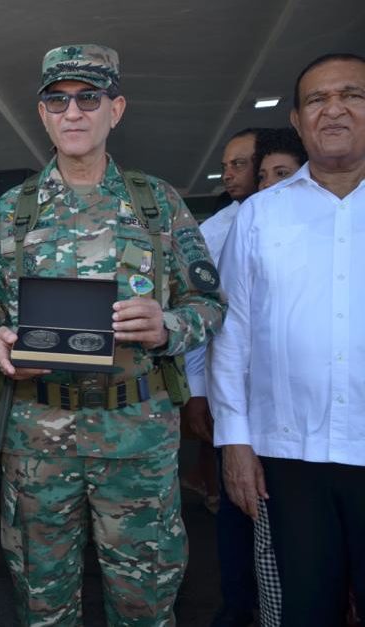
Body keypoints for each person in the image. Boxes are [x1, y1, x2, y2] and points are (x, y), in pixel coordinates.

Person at [0, 44, 226, 625]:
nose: (73, 113)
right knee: (42, 601)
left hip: (136, 440)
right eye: (57, 100)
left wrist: (168, 327)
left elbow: (208, 303)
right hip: (38, 444)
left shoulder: (156, 203)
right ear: (43, 114)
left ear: (117, 109)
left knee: (145, 603)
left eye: (89, 98)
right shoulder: (11, 212)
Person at [209, 52, 365, 625]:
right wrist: (236, 443)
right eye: (318, 99)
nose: (335, 109)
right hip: (289, 453)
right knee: (304, 608)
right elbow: (233, 337)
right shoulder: (260, 217)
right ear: (298, 122)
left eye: (352, 94)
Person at [183, 128, 263, 627]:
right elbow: (204, 320)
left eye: (240, 164)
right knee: (237, 515)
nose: (228, 174)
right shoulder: (215, 230)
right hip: (231, 392)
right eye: (226, 165)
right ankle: (237, 606)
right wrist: (197, 393)